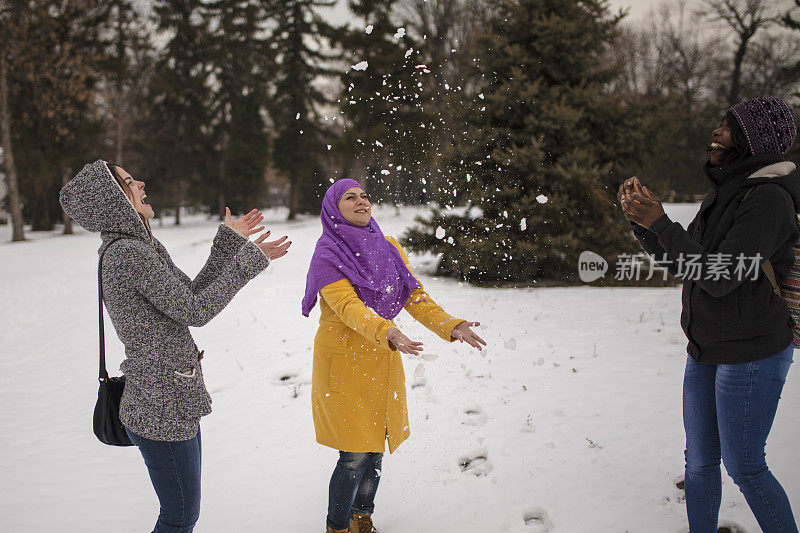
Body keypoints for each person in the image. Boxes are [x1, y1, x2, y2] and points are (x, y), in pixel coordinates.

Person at [59, 160, 291, 533]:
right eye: (131, 182)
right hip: (159, 405)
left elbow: (189, 296)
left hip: (172, 397)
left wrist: (228, 245)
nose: (142, 184)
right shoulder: (128, 254)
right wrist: (250, 260)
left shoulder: (141, 246)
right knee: (179, 516)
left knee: (183, 513)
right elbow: (197, 311)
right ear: (115, 200)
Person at [618, 96, 798, 532]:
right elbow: (690, 264)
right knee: (699, 462)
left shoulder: (768, 199)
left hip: (752, 353)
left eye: (727, 127)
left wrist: (662, 224)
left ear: (754, 140)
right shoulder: (724, 191)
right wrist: (644, 224)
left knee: (746, 467)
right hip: (706, 347)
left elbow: (722, 276)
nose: (716, 133)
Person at [302, 179, 487, 533]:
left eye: (364, 196)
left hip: (383, 357)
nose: (361, 202)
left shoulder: (389, 248)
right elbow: (347, 306)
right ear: (332, 209)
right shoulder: (328, 252)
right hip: (345, 363)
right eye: (350, 198)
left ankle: (362, 517)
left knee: (375, 449)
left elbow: (414, 297)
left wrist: (451, 325)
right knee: (354, 455)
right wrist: (387, 330)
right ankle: (337, 527)